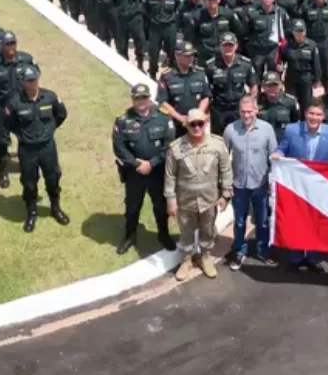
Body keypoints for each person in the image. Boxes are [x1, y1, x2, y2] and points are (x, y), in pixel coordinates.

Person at [273, 100, 328, 272]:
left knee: (317, 222)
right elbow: (282, 148)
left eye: (318, 114)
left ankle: (314, 258)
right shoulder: (292, 130)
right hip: (297, 185)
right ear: (305, 114)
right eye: (311, 114)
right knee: (297, 221)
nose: (314, 118)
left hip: (320, 188)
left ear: (323, 116)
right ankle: (296, 257)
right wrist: (277, 154)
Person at [165, 108, 232, 281]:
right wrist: (171, 200)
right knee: (186, 233)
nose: (196, 127)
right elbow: (170, 175)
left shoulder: (217, 145)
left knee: (207, 231)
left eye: (200, 123)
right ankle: (186, 260)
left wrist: (225, 195)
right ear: (186, 124)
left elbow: (226, 171)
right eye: (192, 124)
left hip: (209, 200)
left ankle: (205, 257)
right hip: (185, 201)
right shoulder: (177, 147)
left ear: (206, 123)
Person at [112, 83, 177, 254]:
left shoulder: (164, 118)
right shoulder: (123, 120)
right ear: (132, 99)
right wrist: (137, 164)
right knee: (132, 207)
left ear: (149, 98)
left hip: (157, 172)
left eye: (144, 97)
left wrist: (152, 163)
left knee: (160, 206)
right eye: (137, 98)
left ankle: (163, 235)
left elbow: (169, 145)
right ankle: (130, 236)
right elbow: (119, 148)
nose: (141, 101)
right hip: (134, 173)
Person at [4, 65, 70, 232]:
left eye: (34, 80)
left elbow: (61, 114)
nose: (32, 84)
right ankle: (32, 212)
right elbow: (8, 123)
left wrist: (49, 130)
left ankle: (55, 208)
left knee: (53, 178)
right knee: (29, 183)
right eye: (29, 81)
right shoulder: (14, 102)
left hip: (47, 147)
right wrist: (23, 135)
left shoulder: (50, 97)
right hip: (27, 150)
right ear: (23, 82)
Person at [222, 96, 277, 271]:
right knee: (239, 221)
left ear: (256, 110)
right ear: (239, 111)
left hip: (261, 184)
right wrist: (226, 183)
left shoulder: (267, 129)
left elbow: (274, 157)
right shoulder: (230, 130)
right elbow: (224, 158)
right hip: (238, 185)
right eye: (243, 111)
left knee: (262, 221)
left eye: (249, 111)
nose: (246, 115)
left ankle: (262, 251)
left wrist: (272, 181)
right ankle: (239, 251)